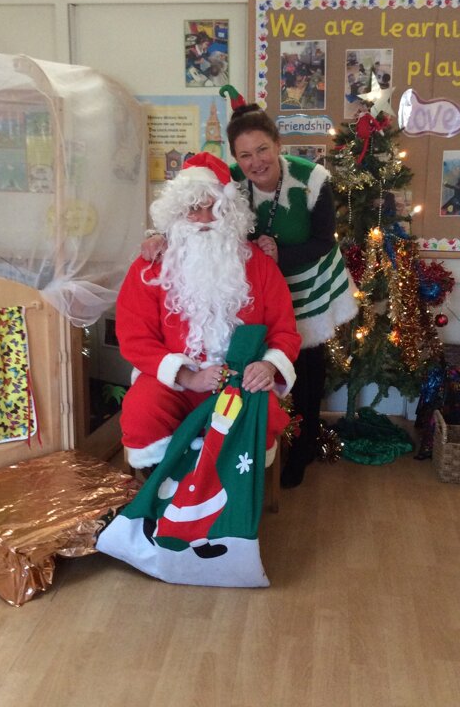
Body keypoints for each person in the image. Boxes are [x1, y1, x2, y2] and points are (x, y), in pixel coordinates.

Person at [142, 88, 358, 489]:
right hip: (256, 283)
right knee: (261, 364)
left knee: (306, 366)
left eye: (262, 150)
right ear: (235, 158)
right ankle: (266, 438)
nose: (255, 161)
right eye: (245, 155)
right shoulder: (231, 181)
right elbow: (194, 210)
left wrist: (278, 255)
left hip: (306, 281)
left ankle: (304, 445)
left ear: (277, 144)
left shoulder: (312, 180)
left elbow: (323, 241)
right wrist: (159, 235)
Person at [119, 151, 301, 473]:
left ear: (231, 215)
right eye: (193, 209)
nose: (204, 220)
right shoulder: (150, 267)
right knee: (142, 411)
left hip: (239, 380)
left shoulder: (259, 265)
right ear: (177, 214)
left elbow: (284, 331)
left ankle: (235, 495)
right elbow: (135, 339)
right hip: (172, 382)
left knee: (264, 413)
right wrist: (188, 376)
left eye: (215, 209)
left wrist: (268, 366)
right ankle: (161, 493)